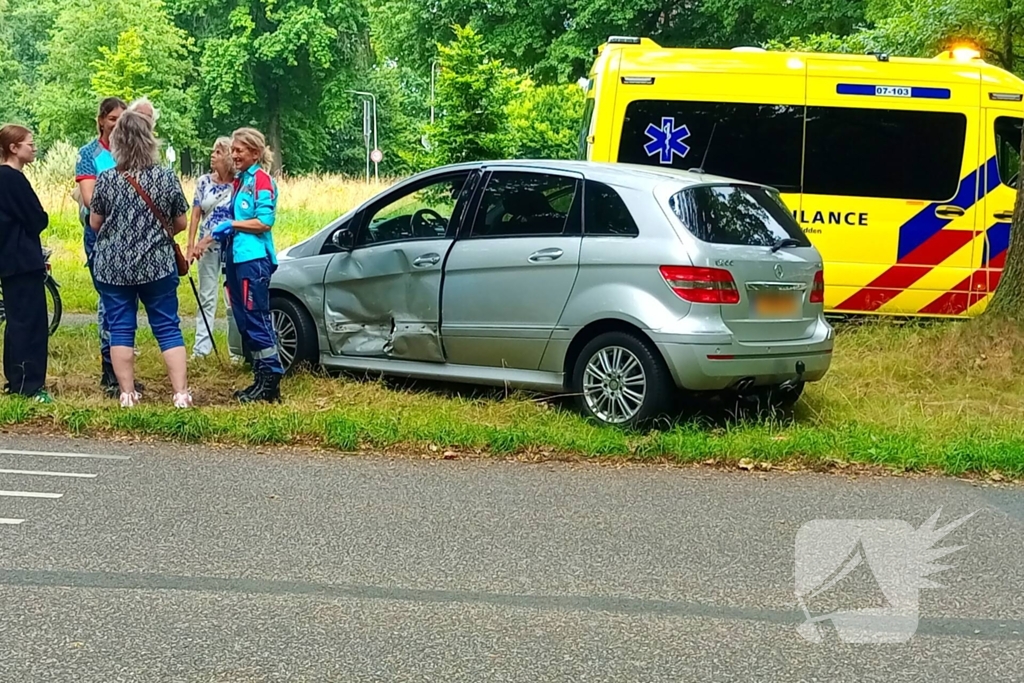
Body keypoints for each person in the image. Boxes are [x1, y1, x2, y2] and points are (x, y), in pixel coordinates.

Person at [89, 110, 193, 408]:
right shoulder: (165, 177)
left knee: (120, 327)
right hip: (158, 264)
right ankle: (181, 393)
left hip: (113, 267)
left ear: (117, 142)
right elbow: (181, 222)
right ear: (150, 141)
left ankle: (126, 393)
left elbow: (95, 222)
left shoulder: (107, 179)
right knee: (167, 326)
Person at [197, 127, 282, 403]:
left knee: (256, 318)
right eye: (232, 150)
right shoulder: (240, 181)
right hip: (235, 259)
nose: (233, 155)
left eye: (239, 150)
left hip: (253, 260)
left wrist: (232, 224)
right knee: (244, 320)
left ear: (255, 153)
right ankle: (259, 378)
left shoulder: (261, 181)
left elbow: (264, 222)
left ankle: (271, 382)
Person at [75, 97, 145, 398]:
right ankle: (110, 372)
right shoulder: (89, 155)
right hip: (101, 238)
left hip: (133, 238)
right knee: (109, 303)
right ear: (102, 120)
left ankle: (123, 369)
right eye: (113, 118)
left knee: (129, 305)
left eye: (122, 118)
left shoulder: (131, 152)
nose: (117, 124)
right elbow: (91, 201)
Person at [0, 124, 51, 403]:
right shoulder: (12, 179)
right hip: (22, 260)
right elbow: (37, 218)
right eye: (29, 144)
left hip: (9, 260)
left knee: (17, 321)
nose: (33, 147)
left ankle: (16, 379)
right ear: (13, 148)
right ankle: (29, 384)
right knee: (30, 323)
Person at [186, 137, 235, 358]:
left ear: (227, 156)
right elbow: (196, 213)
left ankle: (237, 350)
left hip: (231, 246)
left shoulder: (239, 183)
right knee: (206, 296)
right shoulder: (204, 181)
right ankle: (201, 349)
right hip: (206, 246)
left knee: (233, 298)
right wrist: (191, 244)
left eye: (217, 152)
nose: (212, 155)